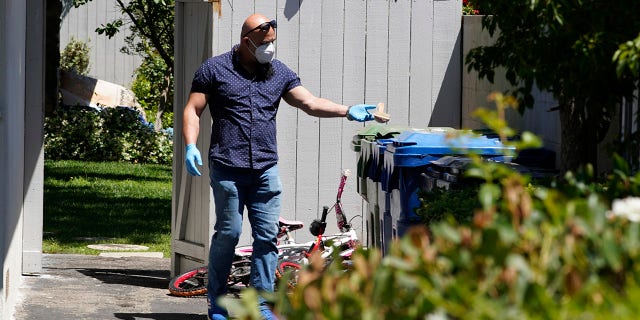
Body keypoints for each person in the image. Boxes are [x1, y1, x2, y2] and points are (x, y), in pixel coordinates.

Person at [182, 13, 382, 320]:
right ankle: (218, 304)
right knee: (228, 232)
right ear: (246, 41)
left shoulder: (277, 73)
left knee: (266, 237)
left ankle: (262, 304)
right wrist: (191, 145)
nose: (270, 49)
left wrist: (348, 111)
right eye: (264, 43)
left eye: (273, 42)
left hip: (265, 169)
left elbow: (309, 102)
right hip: (227, 167)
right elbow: (193, 109)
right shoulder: (215, 69)